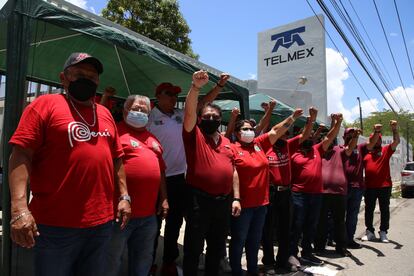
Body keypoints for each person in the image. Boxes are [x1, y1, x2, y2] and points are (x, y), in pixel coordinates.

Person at [8, 52, 131, 276]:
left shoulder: (104, 113)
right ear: (63, 78)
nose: (86, 80)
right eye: (79, 74)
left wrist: (124, 196)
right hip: (56, 225)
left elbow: (117, 158)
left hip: (101, 223)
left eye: (92, 77)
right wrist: (19, 208)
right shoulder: (44, 105)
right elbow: (20, 155)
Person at [147, 74, 230, 275]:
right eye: (169, 94)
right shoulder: (149, 117)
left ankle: (168, 261)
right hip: (157, 179)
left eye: (176, 95)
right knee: (153, 225)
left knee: (175, 223)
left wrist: (218, 85)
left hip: (180, 178)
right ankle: (149, 263)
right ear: (158, 96)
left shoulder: (180, 114)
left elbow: (203, 102)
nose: (174, 98)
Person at [229, 108, 303, 276]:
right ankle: (236, 271)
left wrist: (292, 118)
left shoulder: (259, 144)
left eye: (250, 129)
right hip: (243, 205)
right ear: (236, 133)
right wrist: (236, 198)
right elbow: (233, 174)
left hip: (261, 205)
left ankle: (253, 270)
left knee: (255, 241)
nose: (249, 132)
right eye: (244, 129)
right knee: (239, 240)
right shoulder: (233, 148)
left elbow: (276, 130)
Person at [182, 70, 241, 276]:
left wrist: (236, 198)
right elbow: (190, 112)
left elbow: (233, 171)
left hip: (223, 202)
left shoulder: (226, 142)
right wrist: (196, 88)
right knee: (193, 248)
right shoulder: (194, 134)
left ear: (220, 119)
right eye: (206, 116)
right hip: (199, 200)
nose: (210, 118)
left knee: (216, 249)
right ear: (200, 119)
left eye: (215, 117)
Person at [104, 95, 168, 276]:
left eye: (143, 110)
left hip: (148, 216)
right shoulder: (114, 134)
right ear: (125, 111)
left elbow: (161, 171)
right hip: (119, 214)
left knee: (143, 258)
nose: (139, 112)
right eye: (135, 108)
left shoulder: (153, 139)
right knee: (111, 259)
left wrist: (164, 198)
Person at [261, 107, 317, 273]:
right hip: (270, 193)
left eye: (286, 134)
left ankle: (282, 261)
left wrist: (311, 119)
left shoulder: (287, 146)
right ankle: (269, 262)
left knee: (286, 229)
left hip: (286, 193)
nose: (284, 136)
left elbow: (305, 135)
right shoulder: (265, 147)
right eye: (282, 133)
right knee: (268, 229)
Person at [288, 113, 343, 270]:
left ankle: (307, 253)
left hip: (316, 195)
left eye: (312, 135)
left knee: (311, 225)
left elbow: (330, 137)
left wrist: (338, 122)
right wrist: (311, 119)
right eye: (307, 135)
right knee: (297, 225)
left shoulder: (317, 149)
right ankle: (292, 254)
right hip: (298, 194)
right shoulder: (293, 150)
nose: (310, 137)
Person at [314, 120, 362, 257]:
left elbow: (350, 148)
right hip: (322, 192)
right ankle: (319, 247)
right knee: (321, 221)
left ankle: (341, 247)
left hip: (339, 192)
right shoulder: (318, 151)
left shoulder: (338, 150)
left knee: (339, 221)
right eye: (324, 139)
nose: (327, 141)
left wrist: (356, 137)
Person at [361, 121, 400, 243]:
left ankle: (383, 232)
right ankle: (370, 232)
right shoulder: (365, 153)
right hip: (370, 186)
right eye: (375, 139)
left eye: (379, 139)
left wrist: (394, 129)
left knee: (384, 209)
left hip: (384, 186)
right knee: (369, 209)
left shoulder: (386, 150)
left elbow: (396, 141)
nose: (378, 141)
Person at [343, 127, 369, 249]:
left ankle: (349, 239)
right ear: (344, 137)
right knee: (338, 215)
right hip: (343, 187)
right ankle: (336, 238)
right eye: (349, 135)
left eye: (354, 135)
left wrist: (377, 132)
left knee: (352, 216)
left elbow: (372, 142)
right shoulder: (340, 149)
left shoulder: (361, 148)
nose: (352, 137)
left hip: (357, 188)